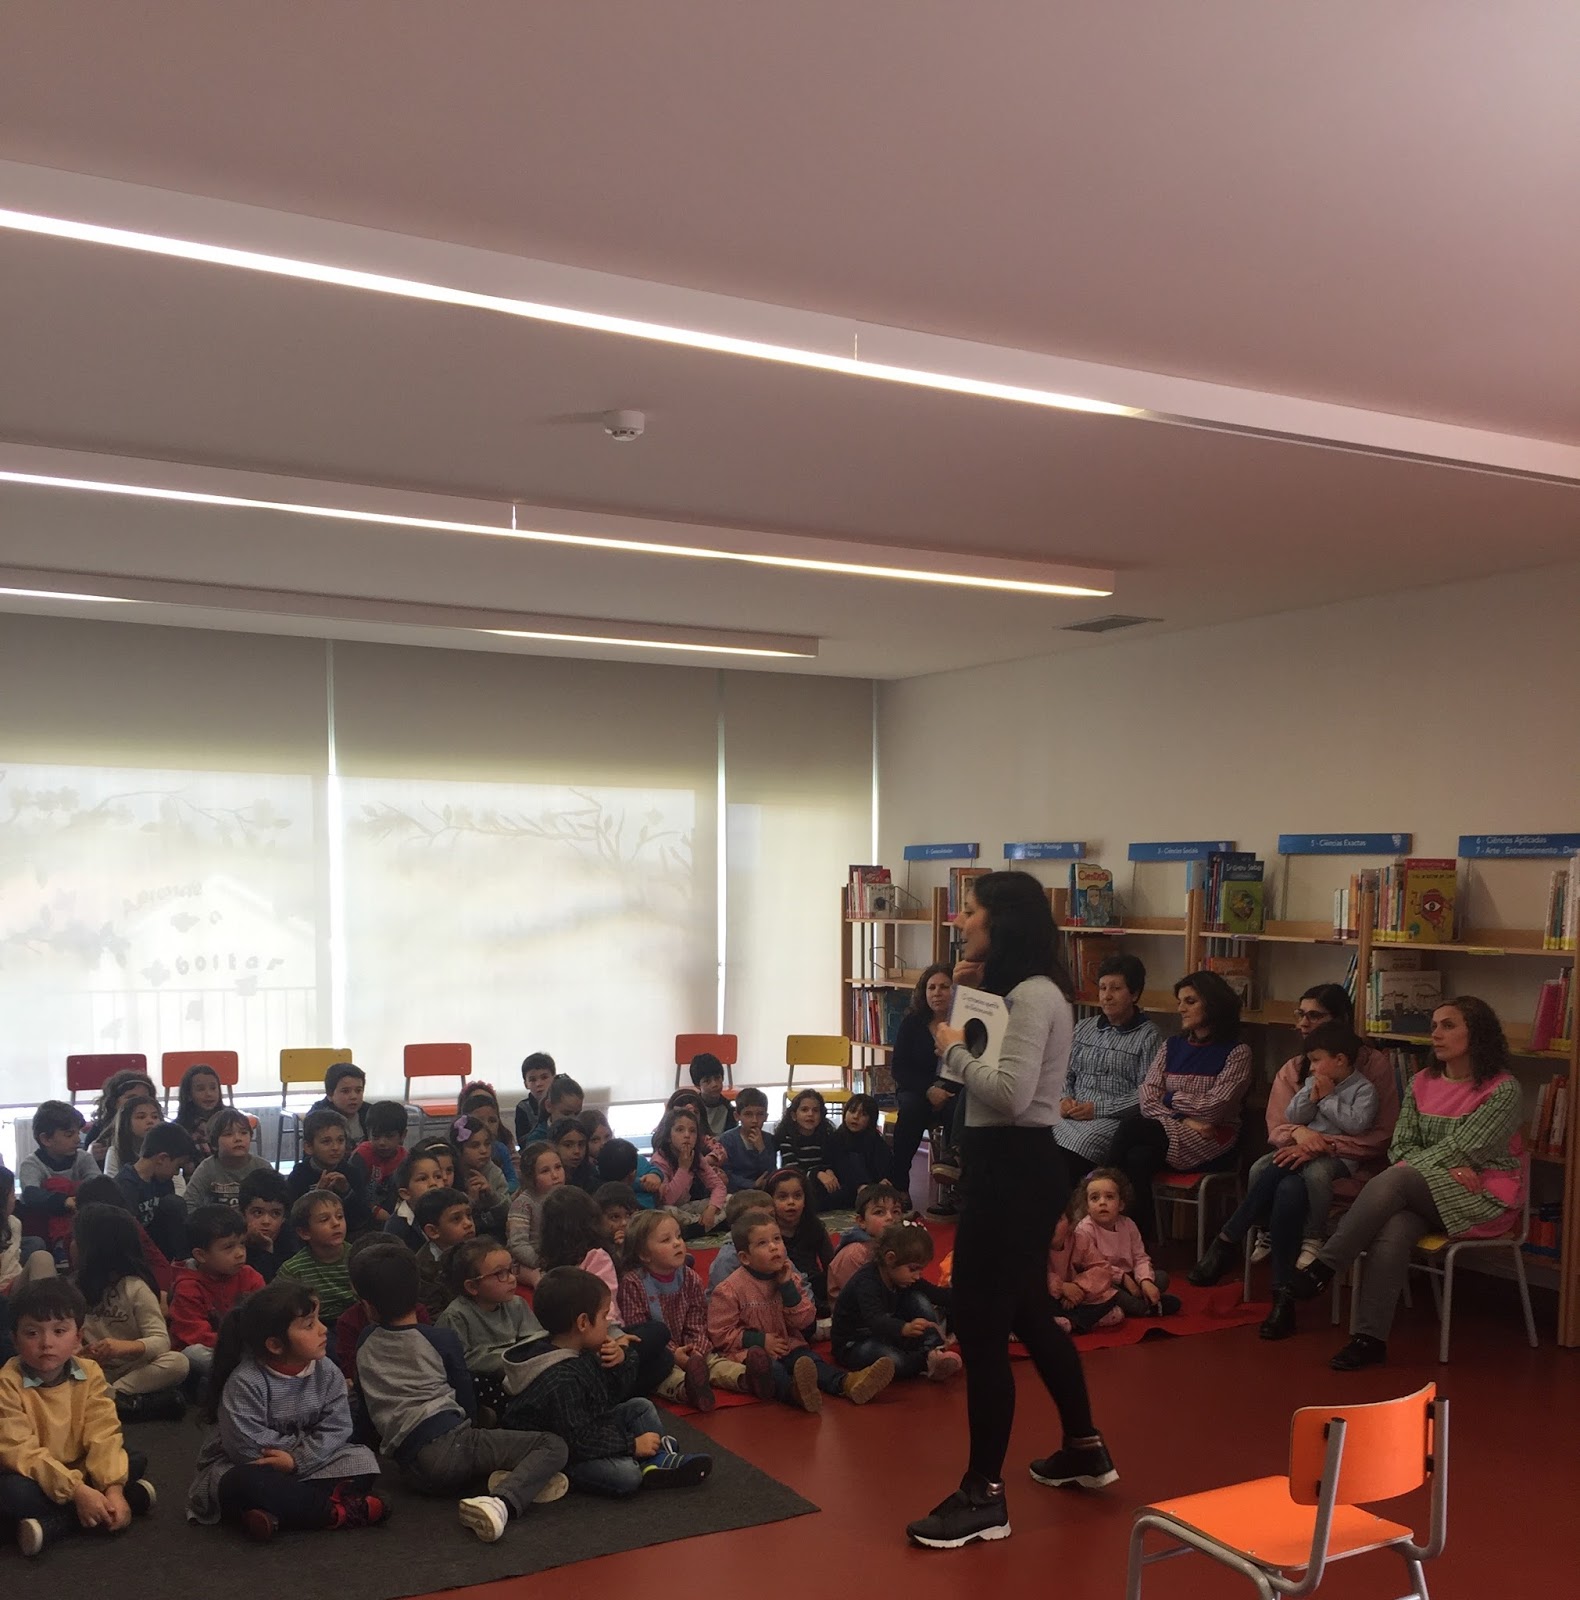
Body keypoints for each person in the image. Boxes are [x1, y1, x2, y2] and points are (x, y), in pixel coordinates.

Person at [906, 870, 1115, 1551]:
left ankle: (983, 1496)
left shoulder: (1033, 995)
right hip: (1009, 1169)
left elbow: (1010, 1092)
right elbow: (983, 1074)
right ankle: (1084, 1446)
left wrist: (951, 1044)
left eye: (970, 912)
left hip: (1014, 1172)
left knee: (981, 1327)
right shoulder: (1015, 990)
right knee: (1027, 1311)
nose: (961, 922)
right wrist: (971, 996)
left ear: (1002, 922)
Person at [1293, 997, 1526, 1370]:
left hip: (1480, 1194)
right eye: (1433, 1026)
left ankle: (1326, 1265)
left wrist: (1433, 1168)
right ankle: (1369, 1339)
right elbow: (1401, 1145)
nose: (1436, 1034)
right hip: (1427, 1189)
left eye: (1448, 1025)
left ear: (1478, 1032)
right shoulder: (1422, 1081)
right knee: (1396, 1224)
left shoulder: (1504, 1089)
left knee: (1399, 1176)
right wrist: (1441, 1169)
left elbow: (1468, 1148)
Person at [351, 1247, 567, 1542]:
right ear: (417, 1293)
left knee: (477, 1453)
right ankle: (502, 1501)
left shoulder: (364, 1341)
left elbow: (366, 1406)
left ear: (368, 1306)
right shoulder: (439, 1339)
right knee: (552, 1445)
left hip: (410, 1469)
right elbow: (465, 1397)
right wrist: (475, 1430)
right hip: (449, 1446)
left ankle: (500, 1475)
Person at [1189, 1021, 1381, 1339]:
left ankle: (1229, 1239)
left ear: (1341, 1060)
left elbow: (1357, 1126)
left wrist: (1327, 1099)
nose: (1312, 1067)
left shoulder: (1364, 1088)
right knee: (1268, 1172)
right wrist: (1310, 1097)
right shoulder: (1312, 1082)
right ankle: (1281, 1297)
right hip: (1300, 1151)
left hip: (1336, 1158)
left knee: (1300, 1178)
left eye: (1317, 1060)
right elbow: (1292, 1117)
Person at [186, 1281, 385, 1541]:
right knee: (247, 1482)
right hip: (249, 1465)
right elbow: (245, 1446)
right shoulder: (246, 1381)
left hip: (306, 1462)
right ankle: (334, 1512)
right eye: (309, 1325)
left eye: (319, 1320)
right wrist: (291, 1459)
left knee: (363, 1461)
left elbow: (337, 1428)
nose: (324, 1329)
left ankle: (274, 1513)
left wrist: (297, 1460)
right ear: (275, 1345)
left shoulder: (327, 1372)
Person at [504, 1267, 711, 1494]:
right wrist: (631, 1444)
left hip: (586, 1427)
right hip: (563, 1450)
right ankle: (557, 1476)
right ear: (583, 1323)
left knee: (640, 1407)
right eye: (604, 1316)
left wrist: (622, 1358)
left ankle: (659, 1460)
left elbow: (609, 1396)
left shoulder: (580, 1350)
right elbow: (578, 1441)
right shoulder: (561, 1378)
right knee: (627, 1475)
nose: (608, 1323)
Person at [0, 1278, 156, 1557]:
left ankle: (58, 1523)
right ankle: (121, 1502)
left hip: (80, 1465)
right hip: (35, 1473)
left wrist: (112, 1488)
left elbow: (103, 1431)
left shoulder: (90, 1372)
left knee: (133, 1458)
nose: (46, 1343)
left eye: (59, 1331)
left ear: (78, 1337)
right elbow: (20, 1451)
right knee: (14, 1494)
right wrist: (77, 1491)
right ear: (14, 1339)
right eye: (32, 1333)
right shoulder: (7, 1383)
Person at [1253, 984, 1401, 1266]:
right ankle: (1264, 1243)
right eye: (1300, 1014)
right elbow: (1279, 1125)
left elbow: (1380, 1136)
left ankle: (1302, 1253)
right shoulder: (1297, 1067)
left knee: (1291, 1187)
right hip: (1297, 1157)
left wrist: (1321, 1144)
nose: (1303, 1023)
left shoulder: (1372, 1067)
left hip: (1351, 1166)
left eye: (1314, 1016)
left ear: (1341, 1020)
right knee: (1272, 1175)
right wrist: (1299, 1132)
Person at [1104, 971, 1253, 1243]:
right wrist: (1183, 1118)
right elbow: (1147, 1097)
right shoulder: (1171, 1045)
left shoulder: (1237, 1052)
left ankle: (1096, 1199)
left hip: (1213, 1139)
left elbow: (1214, 1109)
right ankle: (1136, 1243)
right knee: (1138, 1158)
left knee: (1132, 1126)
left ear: (1213, 1004)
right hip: (1177, 1129)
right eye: (1180, 1001)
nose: (1181, 1008)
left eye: (1190, 1001)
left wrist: (1170, 1097)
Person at [707, 1211, 893, 1412]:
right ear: (745, 1257)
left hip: (788, 1344)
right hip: (751, 1353)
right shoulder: (729, 1289)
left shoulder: (790, 1278)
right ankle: (795, 1393)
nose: (774, 1247)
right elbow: (720, 1333)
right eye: (762, 1243)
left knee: (810, 1361)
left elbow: (805, 1321)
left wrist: (787, 1287)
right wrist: (760, 1341)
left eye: (777, 1239)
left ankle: (846, 1383)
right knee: (772, 1370)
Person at [617, 1209, 765, 1409]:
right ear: (644, 1254)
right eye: (666, 1240)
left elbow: (697, 1318)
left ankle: (745, 1378)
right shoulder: (633, 1283)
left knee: (714, 1362)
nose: (677, 1243)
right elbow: (640, 1331)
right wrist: (674, 1354)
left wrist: (697, 1348)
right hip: (659, 1354)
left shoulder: (689, 1277)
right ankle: (689, 1390)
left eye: (678, 1236)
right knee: (666, 1374)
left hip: (690, 1347)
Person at [1054, 953, 1162, 1188]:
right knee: (1032, 1138)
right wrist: (1064, 1098)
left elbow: (1147, 1094)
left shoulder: (1149, 1036)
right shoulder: (1083, 1027)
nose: (1107, 996)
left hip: (1111, 1119)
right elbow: (1064, 1071)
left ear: (1134, 994)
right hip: (1071, 1113)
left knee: (1077, 1147)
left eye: (1116, 988)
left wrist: (1098, 1109)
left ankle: (1076, 1208)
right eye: (1102, 988)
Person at [74, 1204, 189, 1421]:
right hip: (91, 1369)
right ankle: (125, 1404)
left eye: (76, 1240)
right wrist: (79, 1352)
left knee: (178, 1363)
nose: (71, 1245)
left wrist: (123, 1347)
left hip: (131, 1369)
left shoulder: (136, 1288)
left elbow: (160, 1341)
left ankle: (111, 1396)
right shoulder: (74, 1288)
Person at [832, 1219, 958, 1383]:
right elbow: (874, 1319)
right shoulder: (867, 1282)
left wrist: (971, 1298)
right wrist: (903, 1328)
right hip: (854, 1342)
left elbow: (935, 1294)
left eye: (920, 1270)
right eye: (913, 1269)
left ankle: (934, 1349)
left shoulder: (902, 1276)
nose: (917, 1276)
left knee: (918, 1298)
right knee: (893, 1360)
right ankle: (926, 1361)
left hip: (888, 1334)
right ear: (890, 1258)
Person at [436, 1237, 546, 1413]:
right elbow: (462, 1364)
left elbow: (535, 1340)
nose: (512, 1278)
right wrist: (512, 1360)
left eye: (511, 1269)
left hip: (520, 1373)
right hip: (487, 1381)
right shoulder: (456, 1317)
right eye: (500, 1274)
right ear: (472, 1286)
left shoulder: (516, 1304)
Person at [170, 1205, 266, 1388]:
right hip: (212, 1351)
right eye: (229, 1247)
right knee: (192, 1354)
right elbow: (194, 1335)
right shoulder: (188, 1286)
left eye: (242, 1243)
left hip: (247, 1348)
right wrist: (237, 1346)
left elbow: (264, 1317)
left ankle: (247, 1376)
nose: (240, 1253)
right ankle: (249, 1377)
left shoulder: (250, 1276)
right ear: (201, 1255)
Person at [889, 963, 957, 1210]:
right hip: (916, 1089)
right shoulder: (912, 1023)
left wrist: (944, 1092)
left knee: (961, 1108)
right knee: (911, 1109)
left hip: (953, 1091)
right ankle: (899, 1184)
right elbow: (899, 1068)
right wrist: (929, 1090)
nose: (937, 993)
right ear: (924, 992)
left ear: (955, 991)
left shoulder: (965, 1023)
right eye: (931, 987)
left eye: (944, 987)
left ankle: (954, 1188)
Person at [1071, 1168, 1180, 1320]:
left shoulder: (1128, 1224)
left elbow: (1140, 1257)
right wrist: (1123, 1278)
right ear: (1087, 1206)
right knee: (1110, 1291)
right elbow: (1093, 1267)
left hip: (1130, 1276)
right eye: (1095, 1198)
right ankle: (1146, 1308)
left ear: (1121, 1204)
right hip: (1106, 1279)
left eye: (1109, 1197)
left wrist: (1145, 1281)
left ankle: (1142, 1300)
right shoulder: (1085, 1229)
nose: (1102, 1202)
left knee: (1161, 1278)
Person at [18, 1101, 99, 1266]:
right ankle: (61, 1247)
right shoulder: (31, 1164)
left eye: (78, 1133)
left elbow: (98, 1185)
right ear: (46, 1139)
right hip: (45, 1223)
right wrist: (65, 1201)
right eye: (69, 1135)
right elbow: (31, 1194)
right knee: (55, 1184)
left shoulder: (84, 1158)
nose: (78, 1139)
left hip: (81, 1217)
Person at [285, 1110, 375, 1236]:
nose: (335, 1147)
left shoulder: (352, 1172)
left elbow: (362, 1217)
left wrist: (346, 1191)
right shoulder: (299, 1175)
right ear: (309, 1147)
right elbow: (292, 1220)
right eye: (326, 1142)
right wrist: (316, 1196)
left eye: (340, 1140)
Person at [114, 1121, 194, 1261]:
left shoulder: (164, 1181)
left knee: (174, 1204)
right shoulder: (125, 1185)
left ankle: (182, 1261)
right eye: (178, 1167)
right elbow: (126, 1234)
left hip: (158, 1249)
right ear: (162, 1158)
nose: (176, 1173)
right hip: (135, 1252)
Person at [765, 1168, 837, 1317]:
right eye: (782, 1197)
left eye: (797, 1196)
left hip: (813, 1283)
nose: (791, 1202)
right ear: (770, 1201)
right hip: (782, 1286)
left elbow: (831, 1265)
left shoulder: (814, 1226)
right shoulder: (766, 1232)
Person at [277, 1192, 355, 1327]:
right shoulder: (293, 1269)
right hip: (315, 1326)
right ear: (304, 1232)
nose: (336, 1223)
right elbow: (279, 1309)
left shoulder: (358, 1257)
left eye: (340, 1216)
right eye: (324, 1219)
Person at [649, 1107, 726, 1235]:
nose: (687, 1135)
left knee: (730, 1200)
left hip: (687, 1208)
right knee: (666, 1211)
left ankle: (701, 1225)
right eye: (680, 1130)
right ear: (668, 1136)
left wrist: (711, 1209)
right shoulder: (659, 1160)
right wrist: (683, 1168)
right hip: (670, 1211)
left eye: (692, 1131)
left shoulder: (696, 1156)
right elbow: (667, 1200)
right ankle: (700, 1227)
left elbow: (718, 1186)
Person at [828, 1181, 908, 1299]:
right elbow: (861, 1297)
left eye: (896, 1212)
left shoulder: (896, 1243)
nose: (890, 1217)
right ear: (861, 1221)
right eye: (879, 1212)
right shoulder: (856, 1253)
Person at [184, 1108, 272, 1210]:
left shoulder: (262, 1167)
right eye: (228, 1134)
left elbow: (279, 1202)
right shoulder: (207, 1168)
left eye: (244, 1133)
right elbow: (189, 1204)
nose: (238, 1138)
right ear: (214, 1144)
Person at [776, 1089, 844, 1212]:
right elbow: (793, 1170)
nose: (810, 1114)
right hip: (799, 1182)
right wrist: (817, 1174)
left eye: (815, 1110)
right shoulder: (786, 1138)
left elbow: (828, 1161)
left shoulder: (825, 1136)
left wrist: (829, 1171)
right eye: (804, 1110)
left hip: (822, 1183)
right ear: (794, 1116)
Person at [506, 1142, 564, 1284]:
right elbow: (517, 1244)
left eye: (558, 1167)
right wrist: (542, 1263)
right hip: (533, 1264)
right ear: (530, 1177)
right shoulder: (523, 1204)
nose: (555, 1175)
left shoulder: (569, 1197)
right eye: (545, 1171)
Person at [414, 1188, 477, 1319]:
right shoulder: (423, 1271)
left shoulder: (479, 1250)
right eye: (456, 1219)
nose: (468, 1223)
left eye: (469, 1215)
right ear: (433, 1231)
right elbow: (434, 1315)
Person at [83, 1071, 157, 1171]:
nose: (138, 1102)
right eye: (131, 1098)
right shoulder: (100, 1130)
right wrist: (90, 1156)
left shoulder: (157, 1128)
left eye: (144, 1097)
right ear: (114, 1102)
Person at [707, 1189, 777, 1291]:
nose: (766, 1224)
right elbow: (720, 1294)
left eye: (771, 1216)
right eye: (755, 1219)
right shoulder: (728, 1258)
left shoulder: (776, 1246)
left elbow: (798, 1282)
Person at [452, 1114, 509, 1236]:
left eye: (487, 1144)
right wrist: (470, 1201)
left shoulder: (494, 1172)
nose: (484, 1150)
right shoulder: (451, 1175)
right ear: (458, 1150)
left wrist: (492, 1196)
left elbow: (508, 1214)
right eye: (475, 1145)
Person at [355, 1101, 411, 1223]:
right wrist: (374, 1210)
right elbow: (353, 1192)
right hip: (360, 1216)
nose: (382, 1142)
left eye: (389, 1136)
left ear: (403, 1135)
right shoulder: (362, 1155)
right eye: (376, 1136)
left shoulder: (405, 1160)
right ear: (368, 1133)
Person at [831, 1094, 893, 1204]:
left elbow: (884, 1168)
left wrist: (883, 1181)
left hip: (872, 1188)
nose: (855, 1117)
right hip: (844, 1188)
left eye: (863, 1114)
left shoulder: (876, 1142)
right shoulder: (836, 1138)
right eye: (852, 1111)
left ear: (871, 1119)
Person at [384, 1148, 445, 1251]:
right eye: (423, 1179)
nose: (433, 1183)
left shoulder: (449, 1211)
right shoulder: (397, 1227)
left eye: (438, 1176)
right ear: (405, 1193)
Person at [719, 1087, 776, 1192]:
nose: (754, 1120)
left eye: (760, 1114)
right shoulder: (727, 1140)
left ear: (766, 1117)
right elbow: (726, 1174)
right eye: (748, 1114)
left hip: (763, 1192)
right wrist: (751, 1184)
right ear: (737, 1116)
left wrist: (762, 1149)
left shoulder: (769, 1139)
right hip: (735, 1192)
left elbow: (772, 1171)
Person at [238, 1169, 291, 1283]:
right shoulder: (233, 1246)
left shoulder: (290, 1244)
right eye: (258, 1212)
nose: (266, 1221)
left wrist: (267, 1250)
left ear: (284, 1218)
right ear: (243, 1213)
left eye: (275, 1213)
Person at [173, 1063, 227, 1163]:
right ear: (188, 1095)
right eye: (201, 1089)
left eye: (213, 1088)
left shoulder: (229, 1118)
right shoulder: (180, 1127)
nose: (209, 1094)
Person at [103, 1093, 165, 1179]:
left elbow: (178, 1185)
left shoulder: (165, 1151)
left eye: (155, 1117)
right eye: (141, 1117)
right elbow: (112, 1184)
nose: (150, 1121)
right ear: (126, 1123)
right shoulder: (115, 1152)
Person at [309, 1062, 368, 1146]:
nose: (354, 1096)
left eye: (358, 1090)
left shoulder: (370, 1112)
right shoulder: (317, 1119)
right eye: (345, 1091)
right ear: (330, 1095)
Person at [523, 1075, 584, 1146]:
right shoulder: (537, 1139)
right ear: (549, 1106)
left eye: (577, 1113)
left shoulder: (583, 1133)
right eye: (566, 1114)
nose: (573, 1119)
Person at [689, 1053, 738, 1137]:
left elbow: (730, 1139)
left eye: (717, 1078)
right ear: (697, 1085)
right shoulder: (692, 1108)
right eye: (707, 1081)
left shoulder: (729, 1110)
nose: (714, 1084)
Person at [515, 1052, 557, 1149]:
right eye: (532, 1080)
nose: (539, 1084)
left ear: (554, 1078)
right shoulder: (523, 1107)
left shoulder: (560, 1103)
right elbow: (522, 1142)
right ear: (526, 1084)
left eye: (544, 1077)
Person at [593, 1183, 637, 1249]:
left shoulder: (644, 1243)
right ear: (599, 1219)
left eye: (629, 1215)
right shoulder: (594, 1251)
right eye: (615, 1217)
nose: (624, 1223)